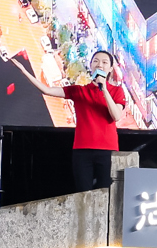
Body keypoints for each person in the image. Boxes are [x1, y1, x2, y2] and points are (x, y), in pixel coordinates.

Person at [11, 46, 127, 192]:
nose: (100, 65)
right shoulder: (78, 90)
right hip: (82, 150)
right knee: (83, 194)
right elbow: (47, 90)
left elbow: (116, 116)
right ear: (90, 65)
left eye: (104, 62)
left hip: (108, 151)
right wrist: (24, 71)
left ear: (110, 68)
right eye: (96, 61)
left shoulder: (117, 91)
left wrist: (103, 88)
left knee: (106, 194)